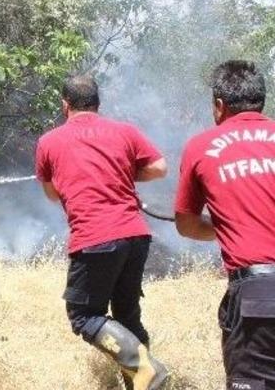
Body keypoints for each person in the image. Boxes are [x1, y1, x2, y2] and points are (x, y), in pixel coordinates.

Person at [174, 60, 275, 390]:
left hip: (265, 300)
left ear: (219, 105)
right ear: (260, 100)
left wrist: (226, 226)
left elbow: (187, 224)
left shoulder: (202, 145)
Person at [35, 74, 170, 389]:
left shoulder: (49, 141)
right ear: (98, 103)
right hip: (136, 235)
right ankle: (141, 383)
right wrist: (119, 173)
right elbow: (159, 167)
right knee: (127, 315)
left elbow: (53, 194)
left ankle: (144, 367)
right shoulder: (124, 131)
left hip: (95, 237)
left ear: (64, 105)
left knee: (84, 315)